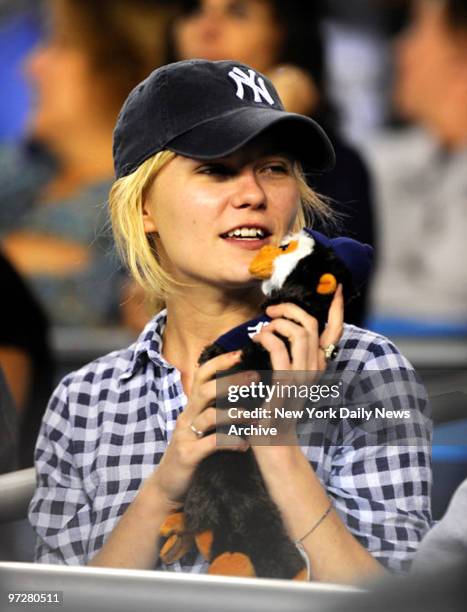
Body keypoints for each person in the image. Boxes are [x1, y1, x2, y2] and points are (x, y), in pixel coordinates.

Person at [28, 59, 432, 583]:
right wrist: (168, 483)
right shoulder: (84, 400)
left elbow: (395, 604)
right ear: (144, 206)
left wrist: (275, 445)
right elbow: (43, 602)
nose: (253, 195)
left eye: (274, 168)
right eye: (216, 170)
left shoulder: (368, 371)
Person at [159, 0, 376, 328]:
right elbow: (138, 298)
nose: (207, 29)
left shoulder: (335, 163)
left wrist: (273, 119)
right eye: (192, 10)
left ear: (285, 36)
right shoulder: (149, 154)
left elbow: (325, 296)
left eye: (238, 13)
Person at [0, 0, 175, 326]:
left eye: (60, 44)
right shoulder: (21, 168)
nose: (32, 66)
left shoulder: (152, 196)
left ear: (116, 67)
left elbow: (120, 298)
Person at [362, 0, 467, 332]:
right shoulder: (384, 160)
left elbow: (452, 297)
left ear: (460, 59)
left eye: (417, 29)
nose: (400, 46)